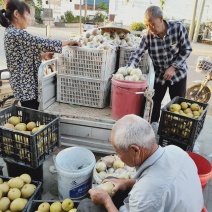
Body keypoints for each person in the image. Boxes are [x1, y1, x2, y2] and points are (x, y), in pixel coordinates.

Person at [77, 114, 204, 212]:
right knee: (112, 180)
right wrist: (126, 183)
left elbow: (151, 191)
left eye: (118, 152)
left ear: (135, 150)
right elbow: (160, 180)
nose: (117, 157)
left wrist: (106, 201)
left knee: (86, 207)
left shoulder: (145, 194)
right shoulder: (175, 151)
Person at [0, 0, 80, 110]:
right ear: (17, 14)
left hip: (25, 84)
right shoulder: (16, 33)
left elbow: (22, 56)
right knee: (30, 115)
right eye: (27, 14)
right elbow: (42, 43)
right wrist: (68, 42)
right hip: (25, 85)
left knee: (31, 114)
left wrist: (42, 56)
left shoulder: (12, 32)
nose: (30, 18)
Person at [127, 6, 192, 123]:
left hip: (178, 75)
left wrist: (173, 67)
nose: (149, 28)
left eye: (151, 24)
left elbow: (187, 49)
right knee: (153, 104)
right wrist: (129, 69)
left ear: (161, 18)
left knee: (178, 106)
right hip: (159, 75)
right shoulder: (148, 36)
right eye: (146, 25)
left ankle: (174, 132)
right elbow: (138, 53)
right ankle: (152, 129)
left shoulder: (178, 28)